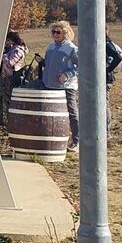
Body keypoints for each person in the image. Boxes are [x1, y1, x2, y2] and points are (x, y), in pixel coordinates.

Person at [42, 21, 79, 152]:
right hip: (50, 85)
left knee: (72, 112)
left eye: (58, 32)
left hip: (67, 87)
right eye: (53, 32)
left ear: (66, 33)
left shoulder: (71, 48)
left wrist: (67, 75)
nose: (55, 34)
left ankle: (77, 141)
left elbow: (80, 66)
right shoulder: (50, 47)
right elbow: (48, 63)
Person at [0, 30, 28, 127]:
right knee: (2, 98)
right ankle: (2, 119)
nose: (5, 42)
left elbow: (10, 64)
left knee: (8, 99)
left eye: (7, 40)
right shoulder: (11, 49)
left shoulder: (17, 50)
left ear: (11, 40)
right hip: (6, 77)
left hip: (12, 77)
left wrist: (4, 56)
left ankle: (10, 122)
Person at [106, 30, 122, 135]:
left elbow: (118, 58)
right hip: (102, 80)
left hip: (106, 80)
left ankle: (106, 131)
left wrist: (107, 70)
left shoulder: (107, 45)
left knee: (103, 105)